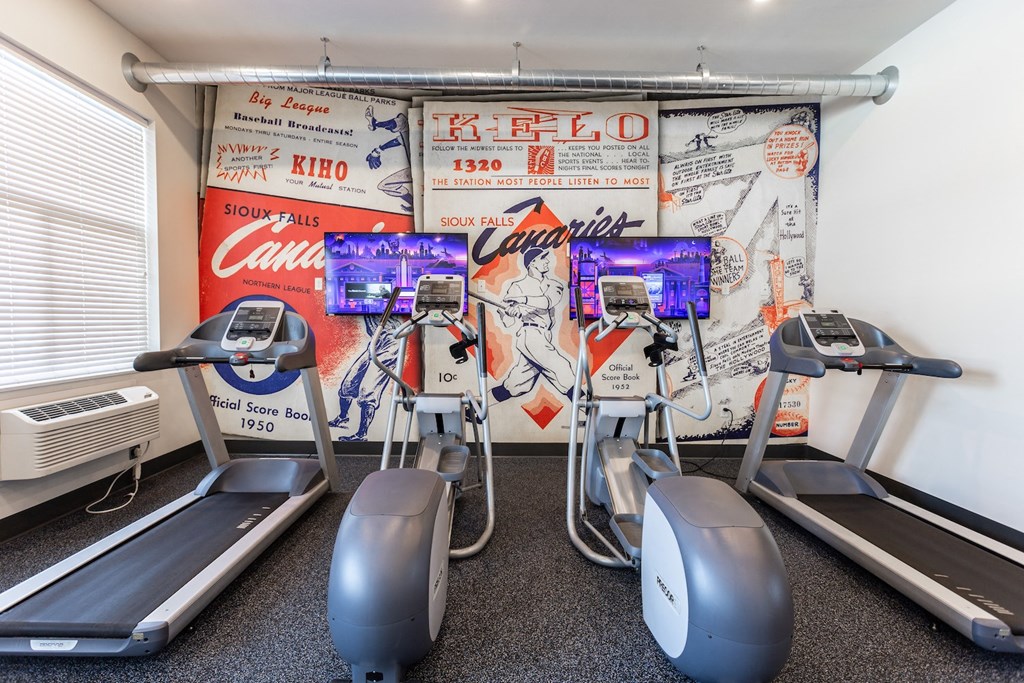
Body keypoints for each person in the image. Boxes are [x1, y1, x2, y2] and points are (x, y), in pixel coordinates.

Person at [490, 248, 576, 403]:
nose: (547, 262)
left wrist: (522, 300)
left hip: (544, 334)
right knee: (561, 368)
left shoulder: (554, 285)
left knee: (518, 383)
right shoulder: (517, 286)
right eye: (543, 259)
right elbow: (508, 322)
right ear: (532, 262)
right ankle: (588, 408)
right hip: (530, 334)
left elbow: (547, 302)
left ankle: (475, 409)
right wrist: (508, 313)